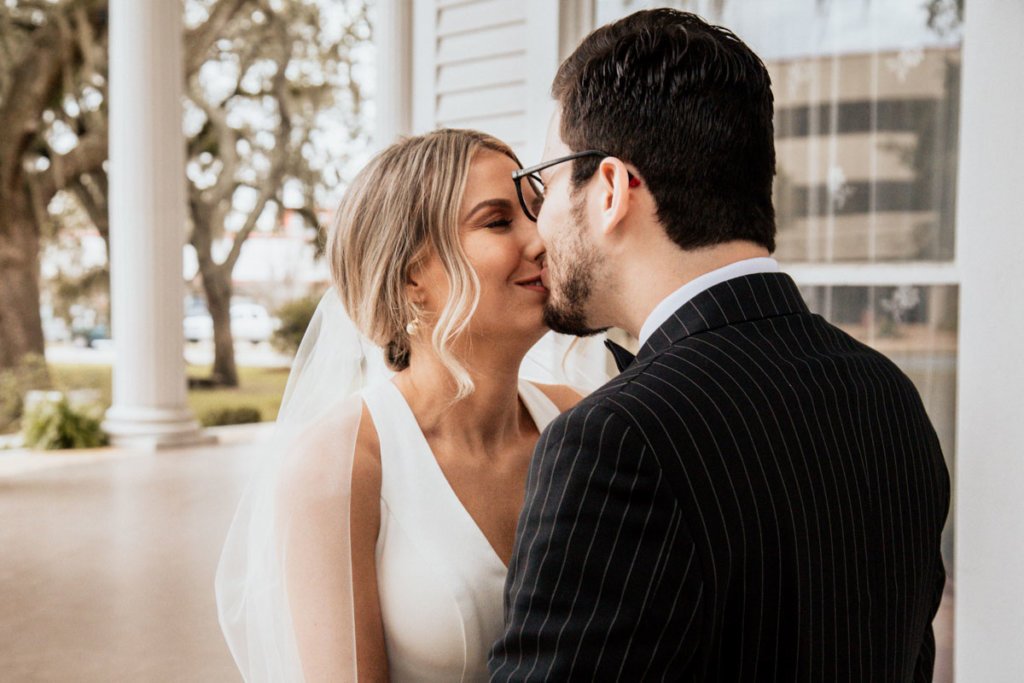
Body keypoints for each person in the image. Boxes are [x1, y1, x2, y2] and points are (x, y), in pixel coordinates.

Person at [490, 9, 950, 682]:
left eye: (547, 182)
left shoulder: (616, 439)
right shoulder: (888, 394)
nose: (538, 226)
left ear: (612, 189)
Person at [215, 128, 600, 681]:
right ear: (410, 276)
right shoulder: (341, 463)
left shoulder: (582, 423)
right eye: (497, 221)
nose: (542, 239)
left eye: (537, 212)